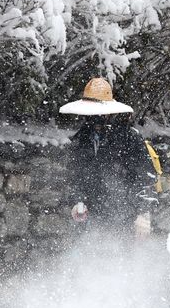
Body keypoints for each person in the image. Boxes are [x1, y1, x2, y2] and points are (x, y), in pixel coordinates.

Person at [59, 77, 162, 236]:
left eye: (98, 113)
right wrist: (77, 202)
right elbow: (75, 176)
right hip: (90, 220)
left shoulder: (129, 138)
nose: (94, 118)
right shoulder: (81, 139)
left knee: (122, 259)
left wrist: (143, 214)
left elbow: (145, 176)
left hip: (124, 216)